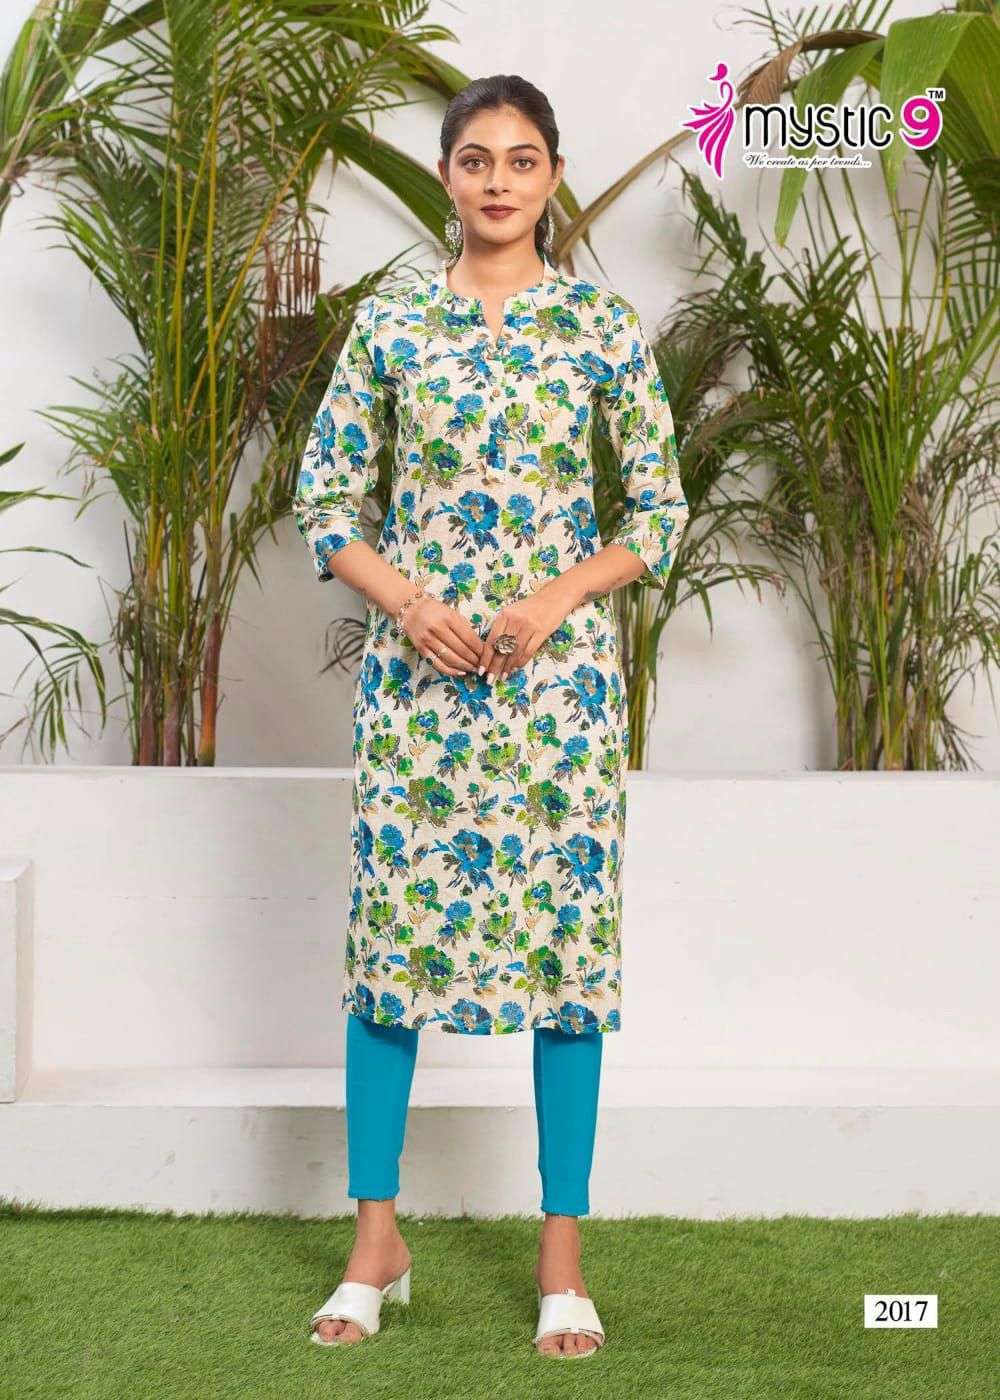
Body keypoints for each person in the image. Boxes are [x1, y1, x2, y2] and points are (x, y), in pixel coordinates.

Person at [292, 73, 690, 1358]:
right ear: (447, 175)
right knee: (390, 957)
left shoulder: (597, 323)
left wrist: (557, 596)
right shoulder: (394, 321)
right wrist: (411, 605)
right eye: (476, 159)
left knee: (568, 968)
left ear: (553, 175)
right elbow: (326, 500)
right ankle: (375, 1241)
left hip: (559, 699)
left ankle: (561, 1260)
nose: (499, 180)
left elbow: (659, 511)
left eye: (522, 159)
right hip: (418, 696)